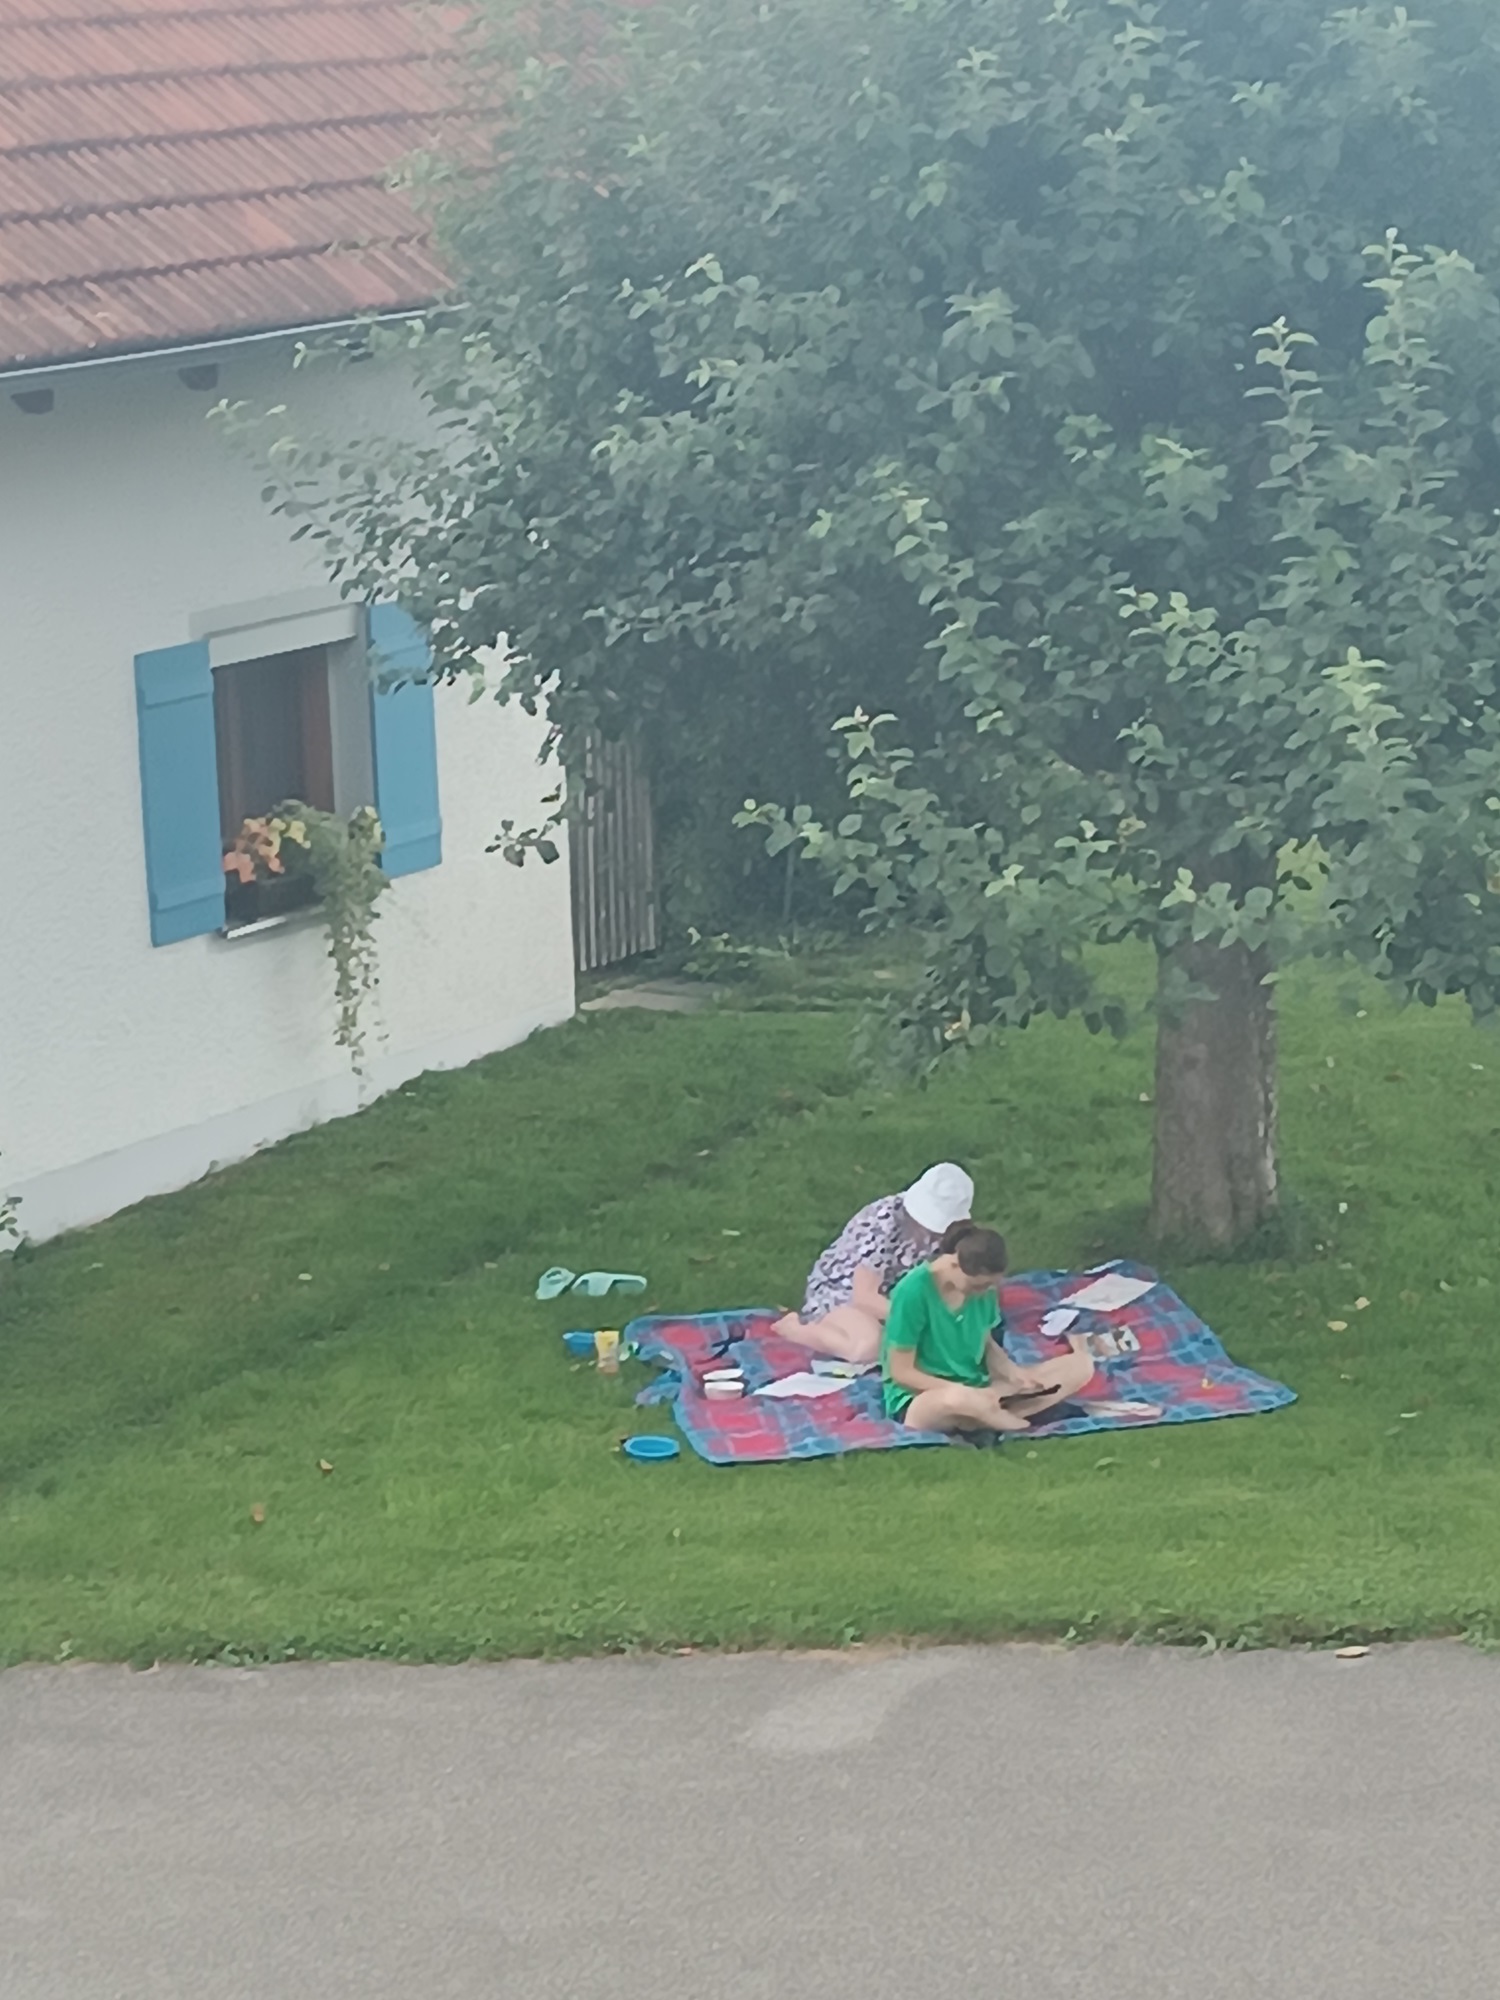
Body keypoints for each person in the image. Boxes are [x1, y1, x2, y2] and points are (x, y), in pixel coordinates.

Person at [882, 1221, 1094, 1436]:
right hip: (926, 1397)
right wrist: (960, 1390)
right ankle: (1015, 1422)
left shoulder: (986, 1291)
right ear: (954, 1264)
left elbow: (985, 1343)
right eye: (978, 1286)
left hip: (981, 1390)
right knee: (956, 1400)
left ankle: (989, 1417)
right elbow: (901, 1372)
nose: (985, 1292)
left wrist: (1013, 1373)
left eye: (991, 1285)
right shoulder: (913, 1291)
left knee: (1080, 1365)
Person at [773, 1162, 976, 1364]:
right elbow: (864, 1296)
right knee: (868, 1346)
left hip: (894, 1299)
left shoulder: (950, 1234)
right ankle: (797, 1330)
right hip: (842, 1293)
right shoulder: (884, 1221)